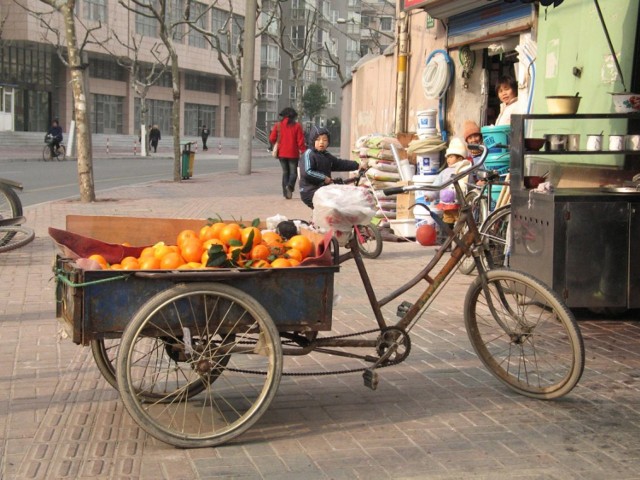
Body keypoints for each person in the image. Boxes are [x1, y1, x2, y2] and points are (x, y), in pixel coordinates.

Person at [299, 126, 365, 209]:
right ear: (312, 140)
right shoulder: (309, 154)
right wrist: (323, 178)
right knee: (334, 206)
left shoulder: (325, 155)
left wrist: (357, 165)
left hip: (322, 189)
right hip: (310, 191)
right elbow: (307, 172)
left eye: (325, 140)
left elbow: (339, 164)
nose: (321, 142)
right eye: (318, 139)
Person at [429, 137, 472, 232]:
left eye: (451, 157)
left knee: (460, 222)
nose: (448, 159)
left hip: (458, 204)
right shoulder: (444, 172)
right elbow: (437, 184)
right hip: (446, 205)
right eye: (448, 157)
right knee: (446, 221)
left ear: (460, 158)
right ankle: (446, 239)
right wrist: (431, 195)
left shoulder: (464, 170)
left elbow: (467, 184)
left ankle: (460, 240)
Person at [269, 108, 306, 199]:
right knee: (293, 173)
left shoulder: (278, 125)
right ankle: (290, 186)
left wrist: (278, 143)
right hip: (293, 154)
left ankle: (286, 194)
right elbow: (300, 141)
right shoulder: (297, 126)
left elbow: (272, 138)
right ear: (293, 116)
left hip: (281, 153)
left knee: (285, 172)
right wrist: (304, 151)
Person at [461, 120, 485, 184]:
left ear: (481, 137)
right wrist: (477, 184)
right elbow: (468, 184)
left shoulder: (488, 153)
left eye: (476, 136)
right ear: (467, 141)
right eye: (470, 138)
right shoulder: (468, 161)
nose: (474, 140)